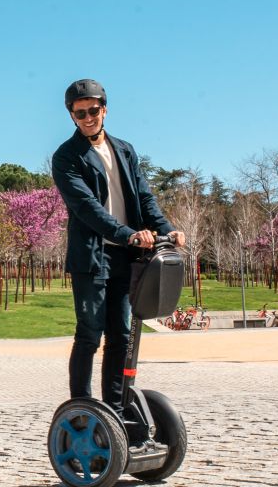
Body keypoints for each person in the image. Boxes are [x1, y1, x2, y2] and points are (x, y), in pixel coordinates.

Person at [51, 79, 185, 413]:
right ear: (72, 116)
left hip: (127, 256)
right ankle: (81, 410)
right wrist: (127, 232)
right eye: (79, 113)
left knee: (121, 336)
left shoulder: (124, 150)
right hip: (93, 257)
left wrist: (167, 229)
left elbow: (144, 197)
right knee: (89, 335)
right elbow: (86, 209)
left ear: (104, 109)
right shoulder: (66, 157)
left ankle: (114, 408)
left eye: (93, 110)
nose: (87, 117)